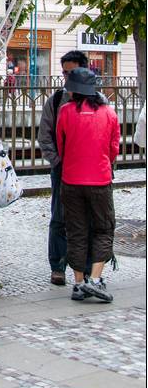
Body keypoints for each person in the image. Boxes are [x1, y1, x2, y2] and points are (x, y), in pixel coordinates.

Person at [56, 67, 120, 303]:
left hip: (71, 180)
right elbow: (114, 149)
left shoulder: (65, 112)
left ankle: (79, 282)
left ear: (73, 91)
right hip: (100, 180)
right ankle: (95, 278)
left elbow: (60, 145)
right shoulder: (109, 113)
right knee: (103, 228)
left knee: (76, 230)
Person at [38, 49, 95, 286]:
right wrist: (58, 162)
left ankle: (87, 268)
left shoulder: (97, 102)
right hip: (63, 169)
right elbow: (45, 136)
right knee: (59, 218)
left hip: (90, 170)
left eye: (70, 72)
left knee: (89, 219)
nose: (66, 77)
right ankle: (58, 266)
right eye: (64, 73)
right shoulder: (56, 100)